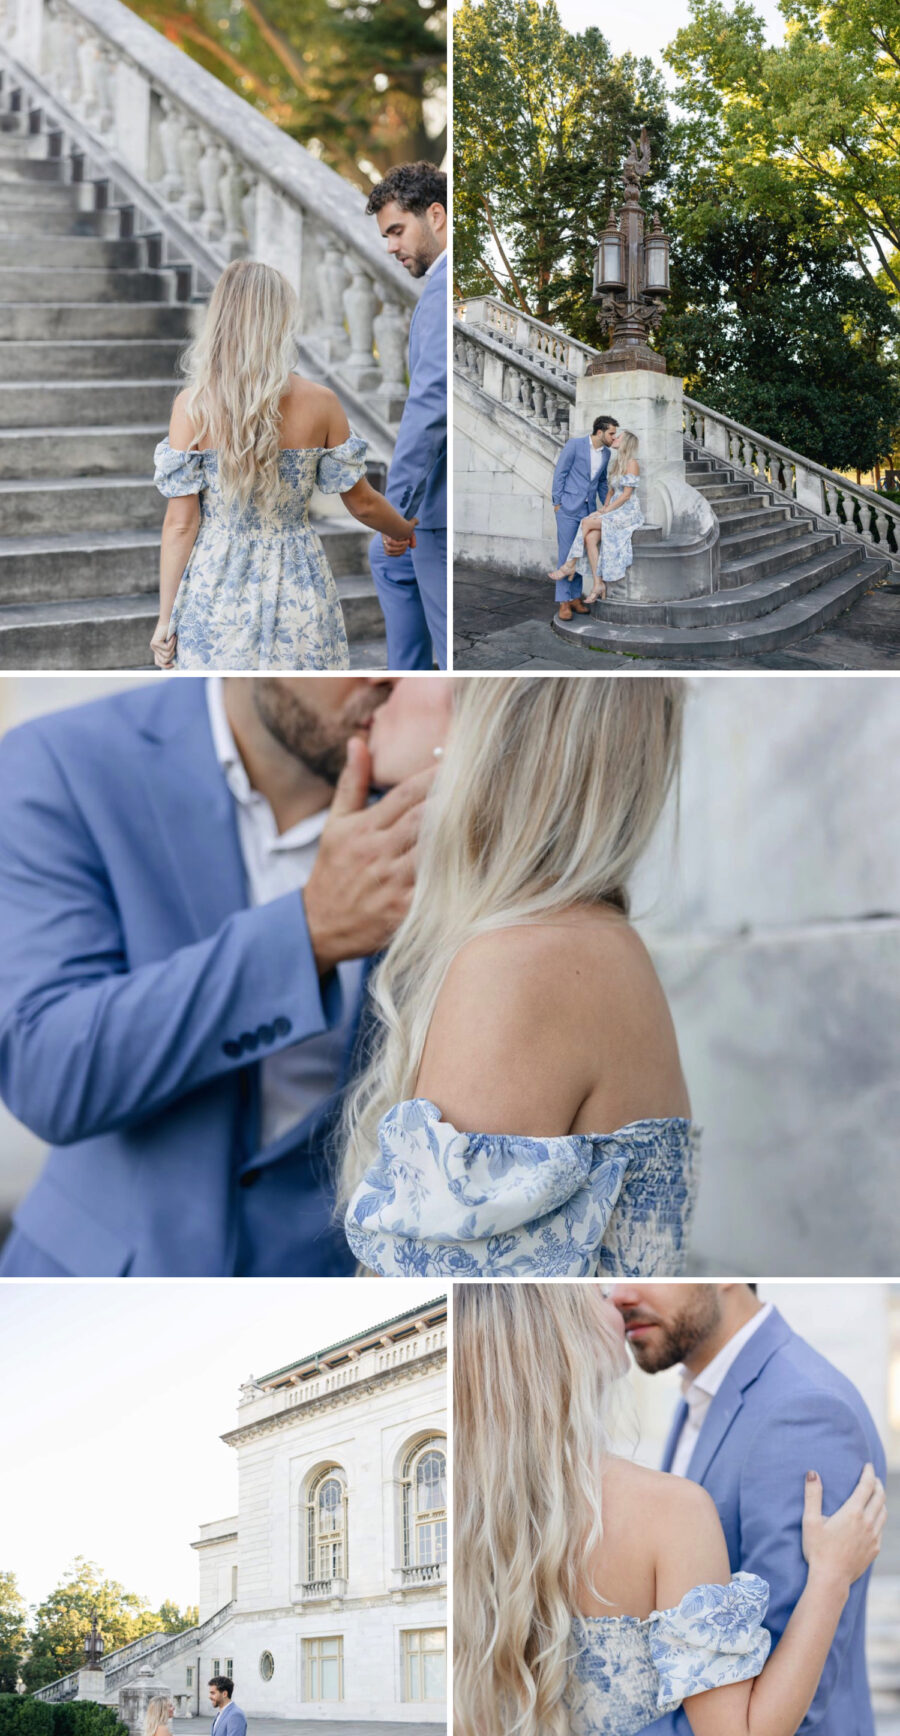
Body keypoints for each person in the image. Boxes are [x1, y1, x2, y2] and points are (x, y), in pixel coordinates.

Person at [455, 1284, 886, 1736]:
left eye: (638, 1271)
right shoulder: (665, 1501)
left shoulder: (476, 1515)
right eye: (594, 1289)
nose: (620, 1294)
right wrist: (831, 1575)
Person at [0, 674, 452, 1279]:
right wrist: (309, 932)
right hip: (92, 1285)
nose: (386, 673)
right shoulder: (57, 763)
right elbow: (48, 1072)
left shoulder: (431, 787)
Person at [340, 676, 700, 1277]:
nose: (388, 682)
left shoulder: (524, 964)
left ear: (483, 719)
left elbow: (435, 1312)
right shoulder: (592, 942)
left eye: (432, 672)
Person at [150, 261, 417, 671]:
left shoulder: (192, 406)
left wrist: (166, 620)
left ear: (221, 318)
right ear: (280, 320)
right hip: (298, 582)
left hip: (215, 586)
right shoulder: (321, 402)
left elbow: (180, 525)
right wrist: (401, 531)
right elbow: (362, 503)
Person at [365, 165, 447, 669]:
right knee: (384, 560)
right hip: (430, 509)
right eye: (385, 236)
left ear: (435, 215)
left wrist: (396, 513)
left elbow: (429, 404)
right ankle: (409, 674)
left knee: (446, 643)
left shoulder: (441, 292)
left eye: (397, 231)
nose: (390, 247)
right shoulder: (436, 292)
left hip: (432, 510)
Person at [555, 430, 644, 602]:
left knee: (586, 522)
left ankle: (570, 564)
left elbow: (626, 495)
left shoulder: (632, 464)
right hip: (613, 508)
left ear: (625, 442)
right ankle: (598, 584)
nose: (615, 438)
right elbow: (610, 491)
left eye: (619, 437)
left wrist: (607, 510)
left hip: (627, 511)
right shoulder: (616, 463)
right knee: (590, 539)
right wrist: (604, 507)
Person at [550, 417, 617, 622]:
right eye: (611, 433)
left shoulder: (606, 453)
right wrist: (557, 502)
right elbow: (560, 473)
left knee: (578, 553)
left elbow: (602, 482)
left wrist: (608, 507)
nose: (614, 437)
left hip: (589, 510)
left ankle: (575, 598)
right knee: (566, 553)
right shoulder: (575, 445)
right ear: (600, 432)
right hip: (568, 507)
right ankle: (563, 602)